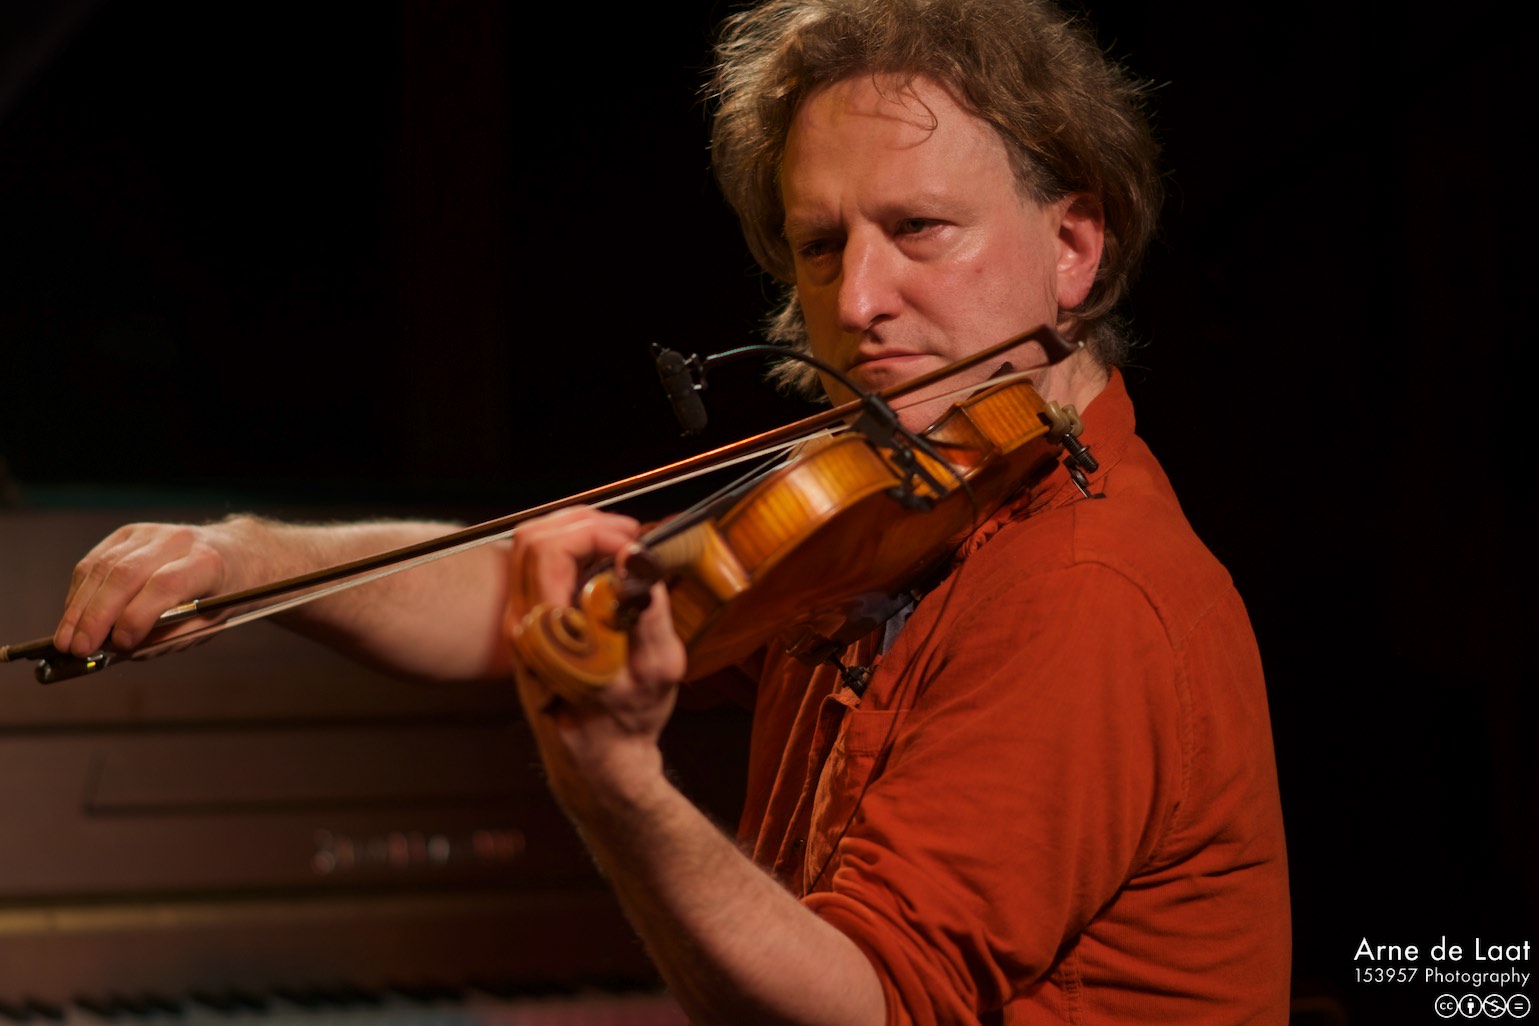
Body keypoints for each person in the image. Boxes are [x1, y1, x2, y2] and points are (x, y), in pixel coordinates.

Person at [48, 0, 1291, 1021]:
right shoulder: (902, 510)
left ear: (1074, 247)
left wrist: (615, 791)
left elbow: (871, 1005)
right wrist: (248, 561)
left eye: (919, 229)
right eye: (820, 246)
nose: (858, 299)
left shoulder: (1080, 590)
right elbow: (541, 598)